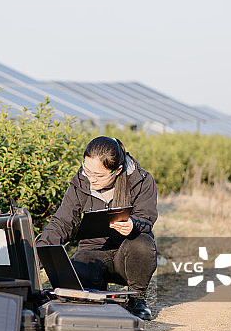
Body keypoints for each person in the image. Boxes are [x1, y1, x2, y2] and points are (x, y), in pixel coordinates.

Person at [37, 136, 158, 320]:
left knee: (143, 243)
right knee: (76, 271)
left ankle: (137, 298)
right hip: (92, 253)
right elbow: (62, 222)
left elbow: (146, 217)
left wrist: (133, 224)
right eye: (87, 170)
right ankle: (96, 295)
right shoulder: (81, 182)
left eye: (99, 175)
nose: (92, 179)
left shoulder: (141, 180)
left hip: (127, 255)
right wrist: (36, 255)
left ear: (117, 170)